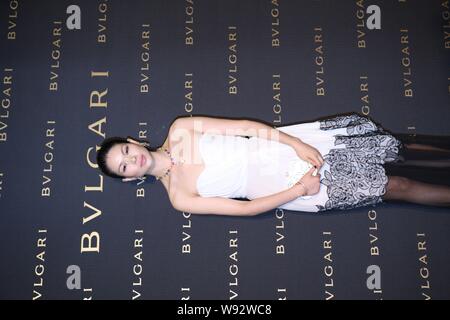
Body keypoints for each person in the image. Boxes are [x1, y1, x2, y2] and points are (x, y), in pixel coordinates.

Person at [96, 112, 450, 216]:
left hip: (286, 147)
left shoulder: (179, 129)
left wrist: (295, 143)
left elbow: (247, 129)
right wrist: (299, 190)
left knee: (393, 150)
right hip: (287, 188)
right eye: (124, 167)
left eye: (125, 152)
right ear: (130, 179)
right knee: (396, 187)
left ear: (132, 142)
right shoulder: (179, 196)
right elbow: (246, 210)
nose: (131, 159)